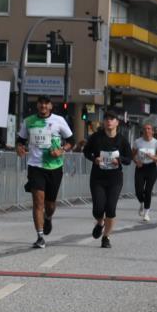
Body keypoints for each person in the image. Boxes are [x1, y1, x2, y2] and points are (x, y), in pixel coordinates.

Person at [16, 95, 74, 249]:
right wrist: (19, 148)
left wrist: (61, 150)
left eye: (46, 103)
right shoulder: (28, 121)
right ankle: (40, 236)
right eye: (40, 103)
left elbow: (71, 141)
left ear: (50, 106)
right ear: (37, 106)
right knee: (38, 202)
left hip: (54, 167)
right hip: (35, 166)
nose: (43, 106)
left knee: (50, 205)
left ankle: (48, 217)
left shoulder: (59, 120)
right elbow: (20, 140)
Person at [83, 109, 132, 248]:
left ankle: (106, 237)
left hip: (115, 179)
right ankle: (100, 223)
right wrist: (94, 159)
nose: (109, 121)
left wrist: (120, 160)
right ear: (103, 122)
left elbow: (129, 158)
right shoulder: (96, 137)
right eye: (106, 119)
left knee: (110, 209)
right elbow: (86, 151)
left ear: (117, 122)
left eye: (112, 119)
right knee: (98, 209)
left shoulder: (122, 140)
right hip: (98, 178)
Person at [132, 122, 157, 222]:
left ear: (152, 131)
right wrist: (136, 162)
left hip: (151, 168)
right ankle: (142, 202)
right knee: (138, 190)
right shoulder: (137, 142)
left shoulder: (156, 143)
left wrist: (152, 157)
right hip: (140, 167)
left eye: (149, 129)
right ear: (142, 131)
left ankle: (146, 213)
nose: (147, 130)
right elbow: (132, 155)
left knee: (148, 190)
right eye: (145, 129)